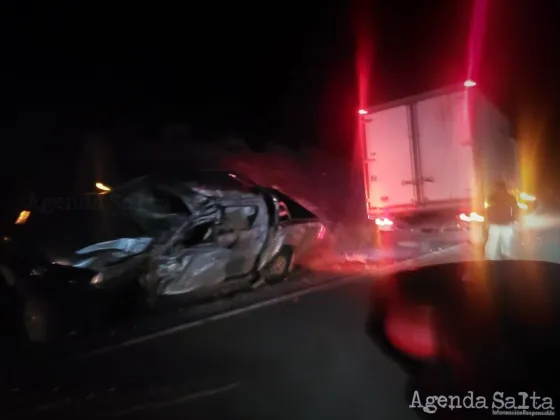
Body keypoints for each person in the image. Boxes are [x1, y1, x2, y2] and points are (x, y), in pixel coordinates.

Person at [485, 181, 519, 260]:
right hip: (506, 223)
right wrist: (514, 219)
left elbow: (488, 210)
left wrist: (488, 220)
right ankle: (506, 258)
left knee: (493, 243)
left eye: (496, 188)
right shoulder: (510, 197)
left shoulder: (492, 197)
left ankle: (491, 260)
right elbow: (516, 209)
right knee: (506, 243)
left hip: (495, 224)